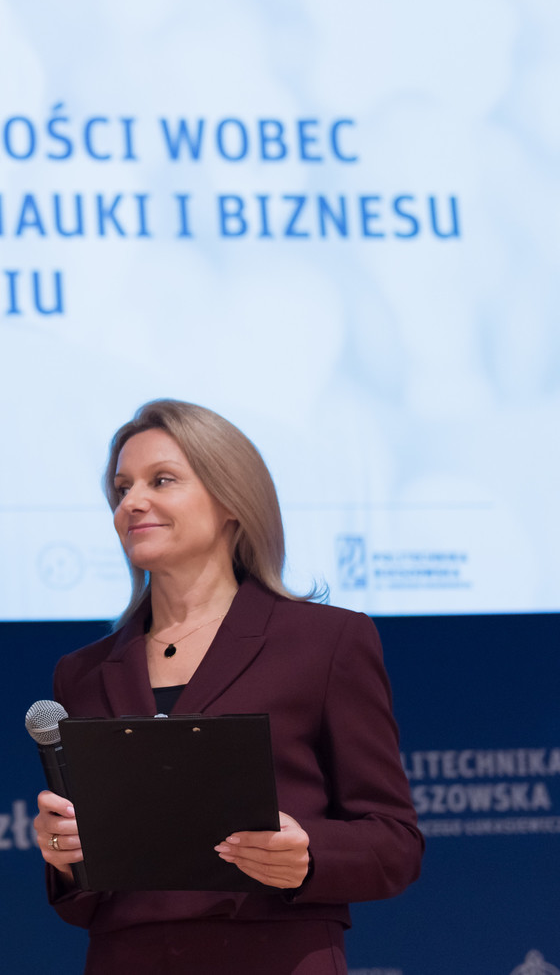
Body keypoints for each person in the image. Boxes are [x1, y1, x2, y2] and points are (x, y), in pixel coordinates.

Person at [34, 400, 422, 975]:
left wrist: (307, 856)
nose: (131, 502)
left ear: (232, 501)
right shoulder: (82, 672)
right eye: (121, 488)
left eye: (161, 480)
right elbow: (85, 900)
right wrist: (64, 853)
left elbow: (394, 842)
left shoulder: (326, 641)